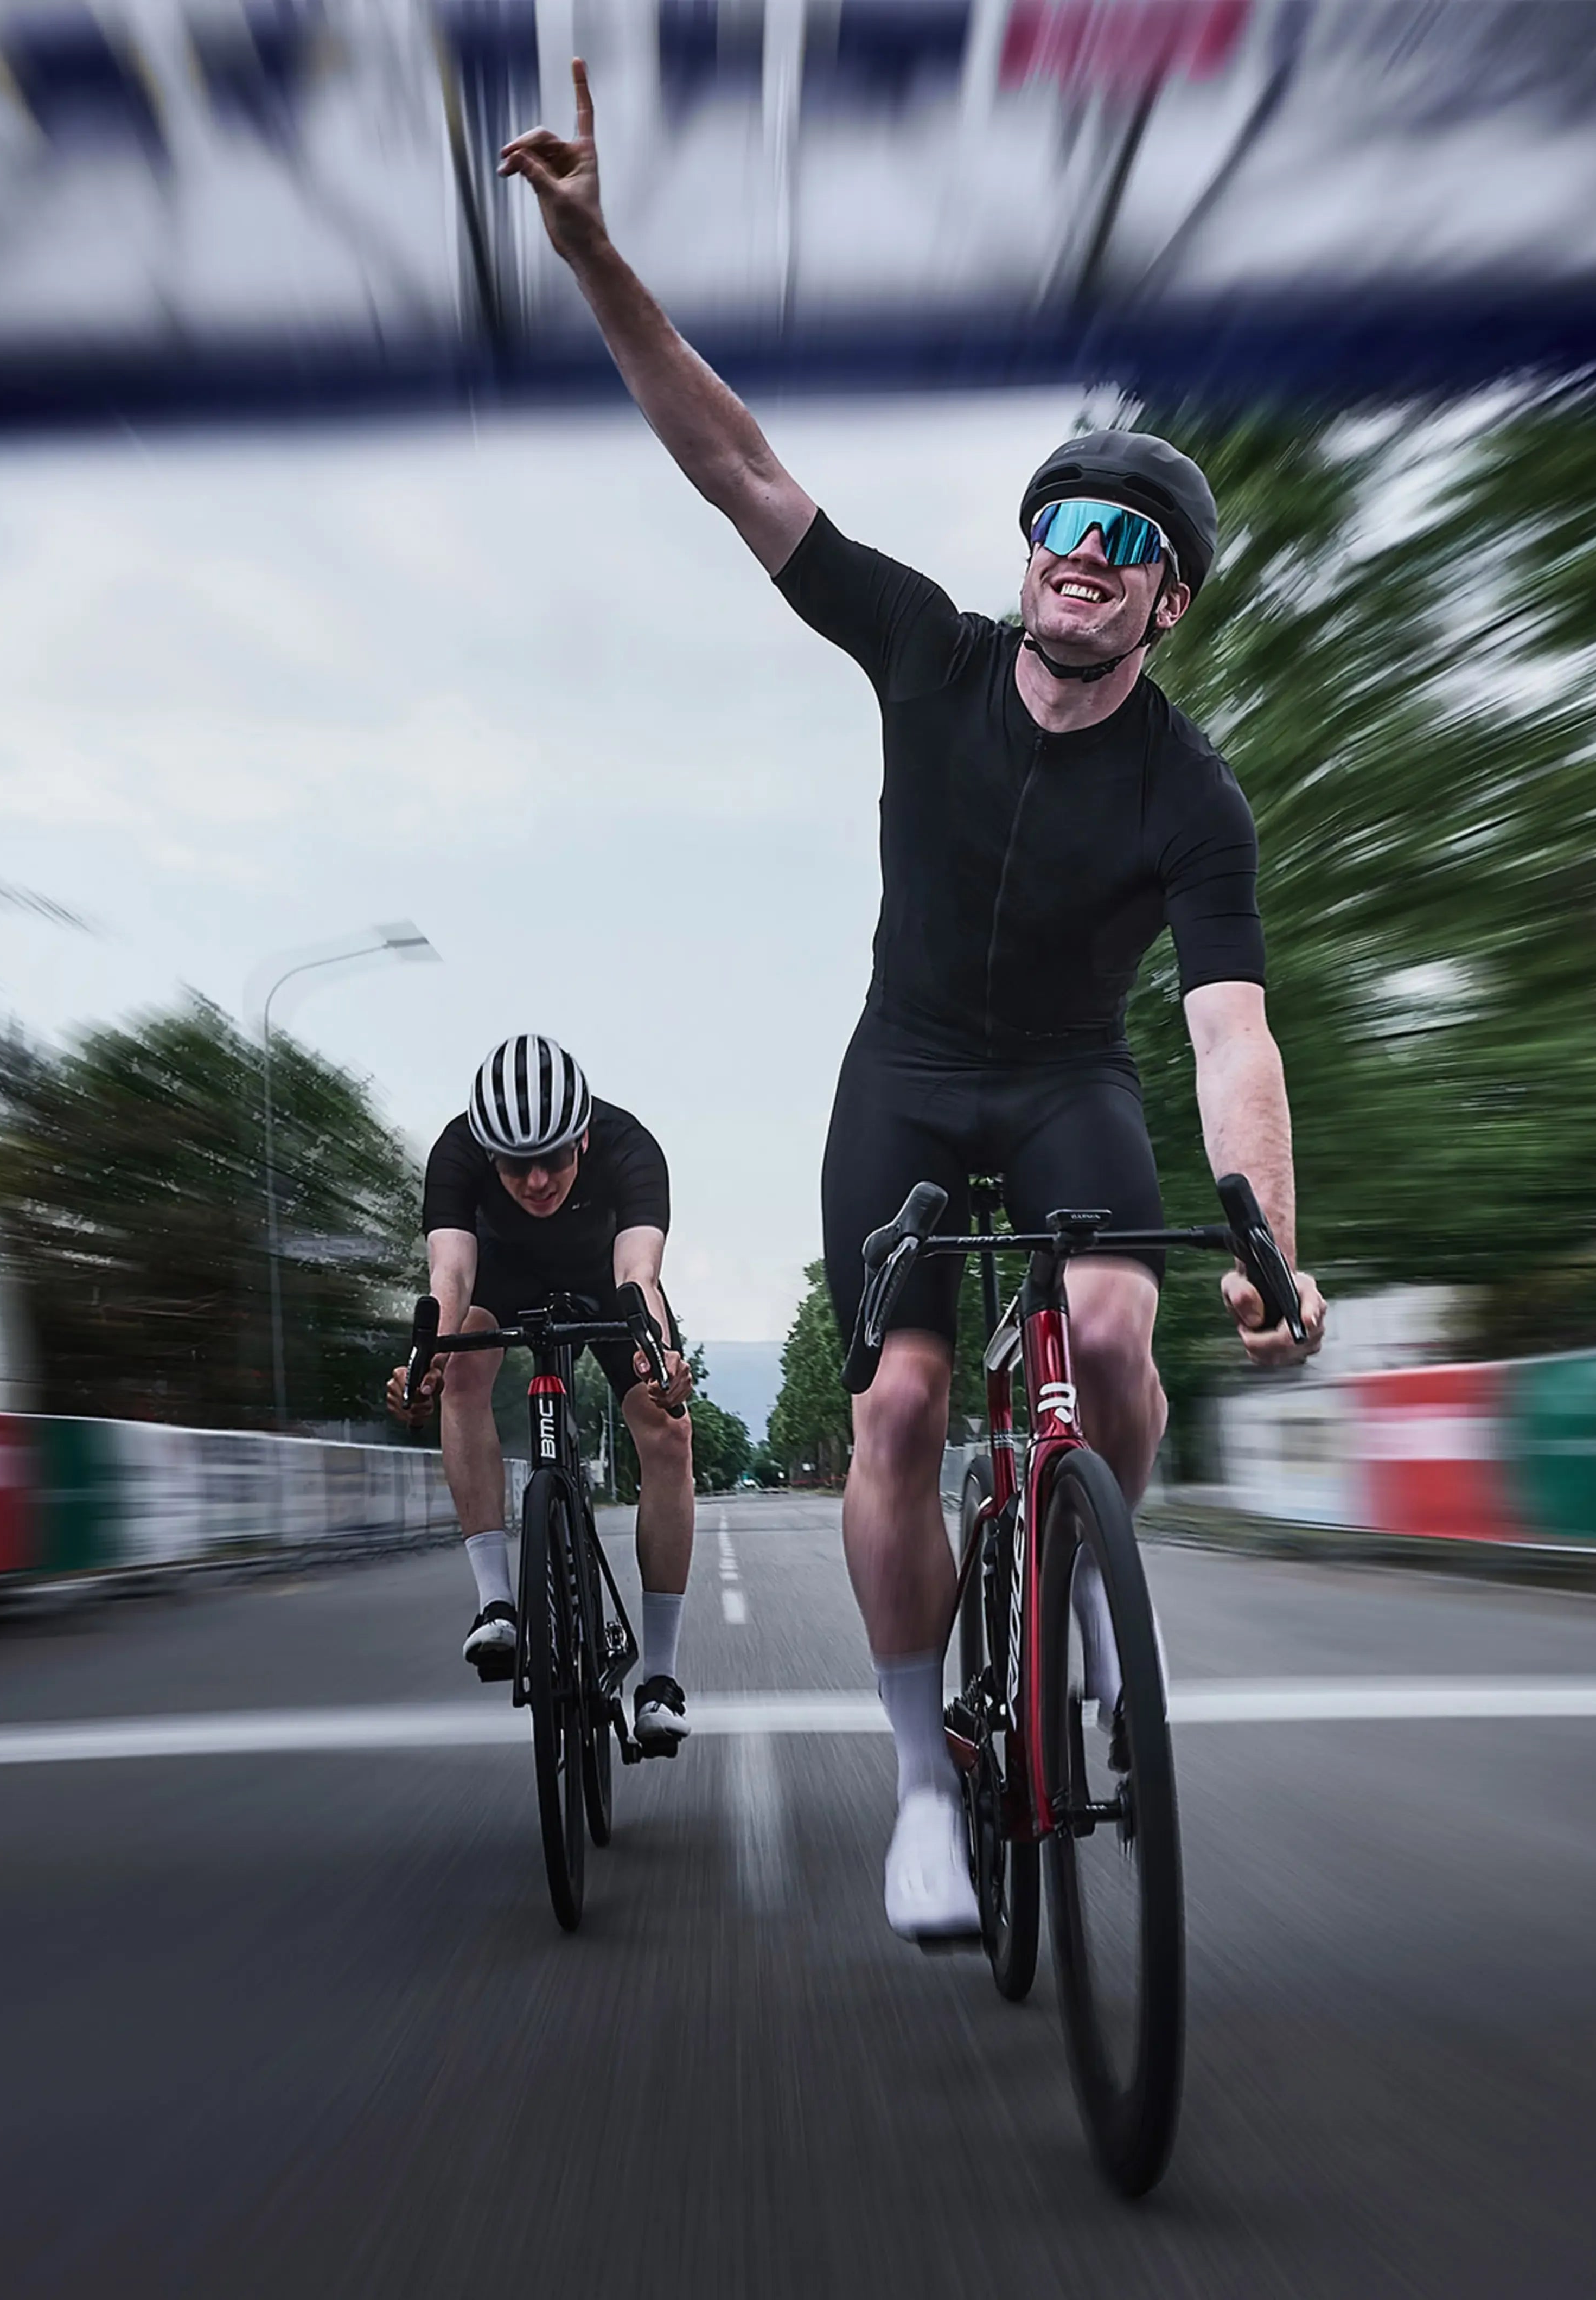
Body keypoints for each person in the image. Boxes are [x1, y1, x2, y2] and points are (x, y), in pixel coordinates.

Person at [500, 65, 1329, 1937]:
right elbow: (735, 466)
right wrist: (595, 256)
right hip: (905, 1079)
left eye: (1129, 545)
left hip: (1062, 1082)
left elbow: (1231, 1032)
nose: (1081, 554)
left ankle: (1098, 1594)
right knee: (894, 1415)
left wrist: (1272, 1241)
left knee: (1113, 1342)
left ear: (1167, 605)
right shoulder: (926, 652)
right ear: (1026, 547)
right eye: (1061, 519)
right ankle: (925, 1787)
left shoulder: (1193, 796)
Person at [387, 1034, 699, 1754]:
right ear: (486, 1151)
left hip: (606, 1280)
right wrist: (422, 1362)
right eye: (515, 1165)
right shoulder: (457, 1153)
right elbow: (451, 1281)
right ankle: (496, 1603)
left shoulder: (631, 1147)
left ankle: (660, 1679)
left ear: (584, 1136)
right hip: (502, 1276)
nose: (535, 1182)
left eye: (553, 1159)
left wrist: (660, 1361)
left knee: (668, 1432)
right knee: (463, 1373)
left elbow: (638, 1274)